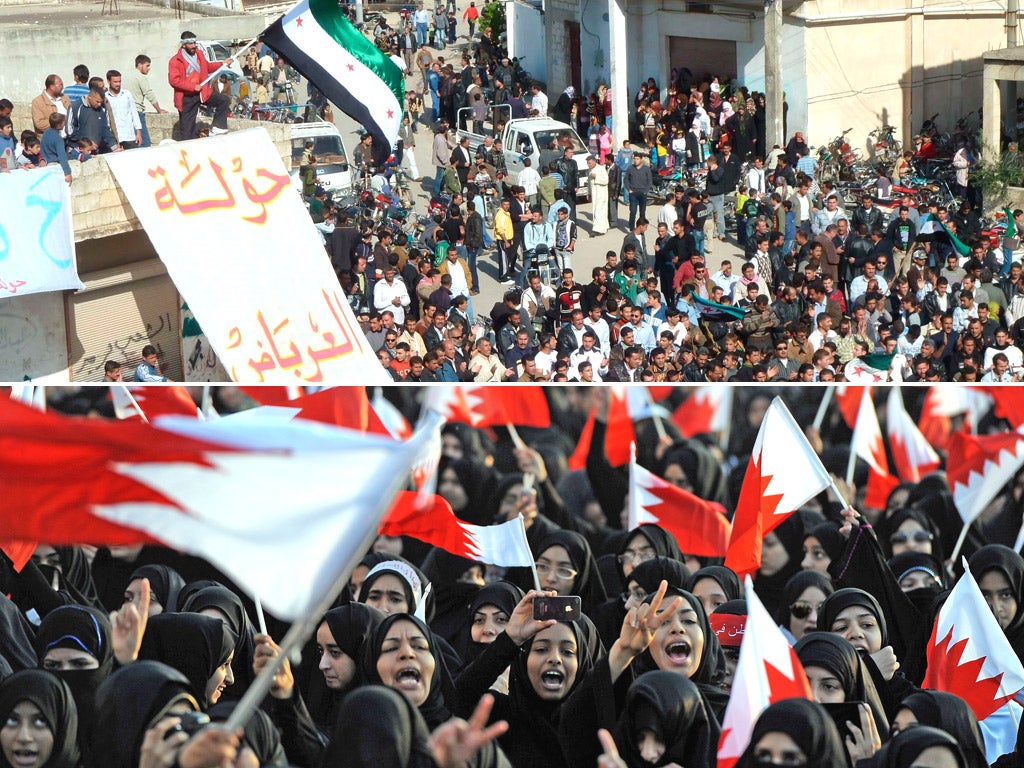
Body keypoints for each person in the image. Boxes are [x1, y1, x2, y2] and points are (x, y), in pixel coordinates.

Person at [168, 31, 232, 141]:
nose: (194, 46)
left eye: (194, 43)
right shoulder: (175, 61)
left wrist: (222, 64)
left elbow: (207, 67)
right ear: (184, 45)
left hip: (202, 93)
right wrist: (192, 87)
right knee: (187, 133)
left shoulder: (199, 54)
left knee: (223, 100)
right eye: (190, 43)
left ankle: (217, 127)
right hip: (186, 98)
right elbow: (174, 80)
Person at [129, 54, 166, 148]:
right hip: (137, 111)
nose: (148, 68)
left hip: (126, 112)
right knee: (144, 143)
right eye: (147, 65)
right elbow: (149, 94)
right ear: (140, 65)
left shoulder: (128, 75)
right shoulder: (140, 77)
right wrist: (159, 109)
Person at [105, 70, 142, 150]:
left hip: (130, 137)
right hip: (115, 138)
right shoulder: (105, 97)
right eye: (115, 82)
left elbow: (134, 113)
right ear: (108, 81)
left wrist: (138, 132)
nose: (118, 84)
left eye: (119, 81)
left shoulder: (127, 94)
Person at [588, 155, 609, 235]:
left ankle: (597, 229)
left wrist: (596, 177)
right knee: (597, 211)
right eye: (588, 163)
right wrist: (589, 193)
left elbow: (606, 180)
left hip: (601, 194)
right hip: (594, 194)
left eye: (589, 163)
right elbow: (589, 183)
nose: (588, 165)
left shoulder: (601, 169)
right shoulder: (590, 170)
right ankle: (603, 227)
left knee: (599, 212)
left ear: (594, 162)